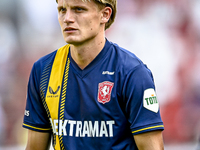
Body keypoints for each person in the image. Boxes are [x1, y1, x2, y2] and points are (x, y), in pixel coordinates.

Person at [22, 0, 164, 149]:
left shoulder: (132, 73)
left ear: (105, 15)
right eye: (62, 10)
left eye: (79, 9)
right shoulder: (43, 71)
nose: (67, 18)